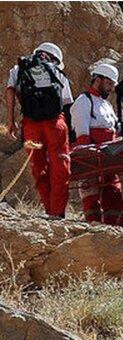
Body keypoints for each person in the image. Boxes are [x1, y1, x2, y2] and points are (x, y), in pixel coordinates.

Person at [4, 42, 73, 219]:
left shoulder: (19, 68)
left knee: (38, 167)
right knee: (60, 167)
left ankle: (49, 210)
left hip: (31, 125)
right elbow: (66, 104)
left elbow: (10, 93)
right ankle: (58, 213)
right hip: (55, 124)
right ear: (56, 59)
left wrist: (11, 121)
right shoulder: (57, 71)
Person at [70, 63, 123, 226]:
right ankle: (93, 226)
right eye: (108, 84)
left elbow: (115, 127)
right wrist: (90, 157)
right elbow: (82, 133)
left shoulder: (106, 104)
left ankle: (115, 227)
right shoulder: (83, 101)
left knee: (113, 190)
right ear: (97, 80)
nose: (110, 89)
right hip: (91, 156)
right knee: (90, 192)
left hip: (109, 155)